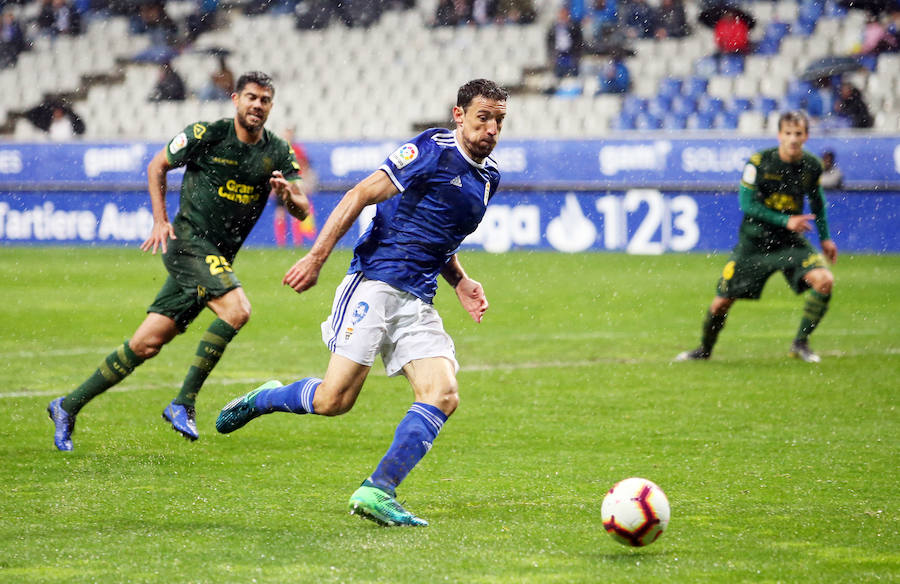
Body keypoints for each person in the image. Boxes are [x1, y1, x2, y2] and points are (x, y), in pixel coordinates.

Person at [215, 78, 508, 527]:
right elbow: (359, 195)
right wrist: (316, 258)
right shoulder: (431, 149)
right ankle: (266, 398)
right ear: (459, 115)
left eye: (499, 120)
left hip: (419, 299)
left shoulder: (489, 179)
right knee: (334, 400)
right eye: (482, 117)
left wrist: (461, 281)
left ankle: (378, 490)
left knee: (444, 393)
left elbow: (438, 235)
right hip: (375, 283)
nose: (490, 128)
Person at [47, 71, 310, 451]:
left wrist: (287, 195)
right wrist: (160, 219)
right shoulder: (207, 134)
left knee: (146, 343)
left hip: (216, 257)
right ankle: (183, 402)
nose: (257, 105)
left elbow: (301, 209)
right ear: (235, 99)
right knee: (237, 311)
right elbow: (157, 166)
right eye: (251, 97)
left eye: (265, 100)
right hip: (189, 244)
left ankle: (67, 405)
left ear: (271, 106)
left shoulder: (277, 152)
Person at [674, 111, 837, 364]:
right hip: (755, 242)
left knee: (824, 280)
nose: (793, 139)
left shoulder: (812, 165)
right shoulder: (759, 162)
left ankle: (800, 343)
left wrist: (826, 238)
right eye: (788, 133)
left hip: (789, 243)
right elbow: (747, 204)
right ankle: (704, 350)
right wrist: (786, 220)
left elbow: (818, 202)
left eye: (798, 133)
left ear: (806, 136)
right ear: (779, 135)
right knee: (720, 304)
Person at [272, 127, 318, 246]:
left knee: (295, 213)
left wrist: (304, 181)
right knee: (280, 213)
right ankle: (281, 243)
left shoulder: (298, 150)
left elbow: (305, 166)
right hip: (281, 184)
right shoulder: (277, 150)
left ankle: (298, 242)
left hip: (294, 184)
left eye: (289, 135)